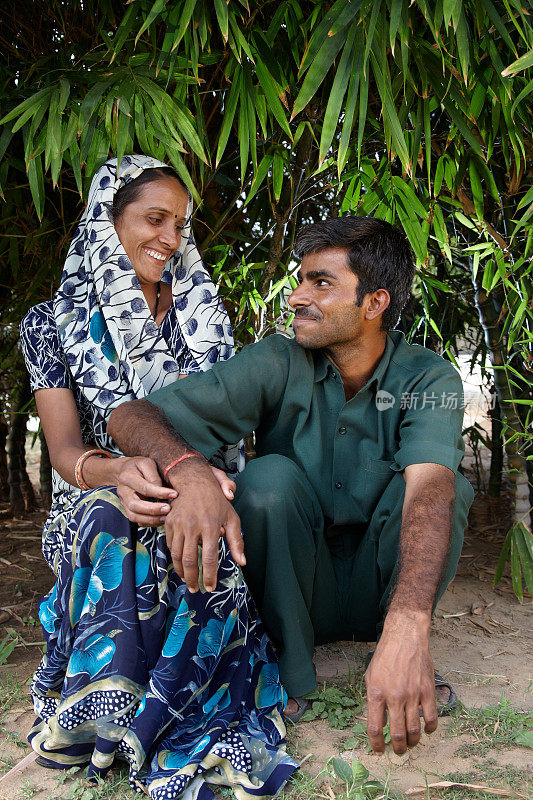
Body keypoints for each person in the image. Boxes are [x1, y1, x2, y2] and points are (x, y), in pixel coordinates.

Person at [108, 216, 475, 757]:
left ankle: (396, 647)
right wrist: (187, 468)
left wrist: (409, 623)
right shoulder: (278, 360)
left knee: (442, 490)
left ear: (374, 303)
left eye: (320, 283)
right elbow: (130, 417)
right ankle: (289, 670)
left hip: (385, 588)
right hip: (300, 587)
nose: (296, 297)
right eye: (299, 280)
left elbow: (428, 491)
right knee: (267, 479)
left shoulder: (428, 377)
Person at [19, 155, 297, 799]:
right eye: (154, 219)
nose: (170, 240)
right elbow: (64, 450)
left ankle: (186, 704)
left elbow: (227, 418)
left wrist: (193, 480)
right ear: (106, 221)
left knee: (203, 515)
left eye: (181, 224)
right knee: (115, 515)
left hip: (200, 481)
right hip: (98, 493)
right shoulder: (52, 322)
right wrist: (118, 471)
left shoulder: (200, 310)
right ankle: (107, 709)